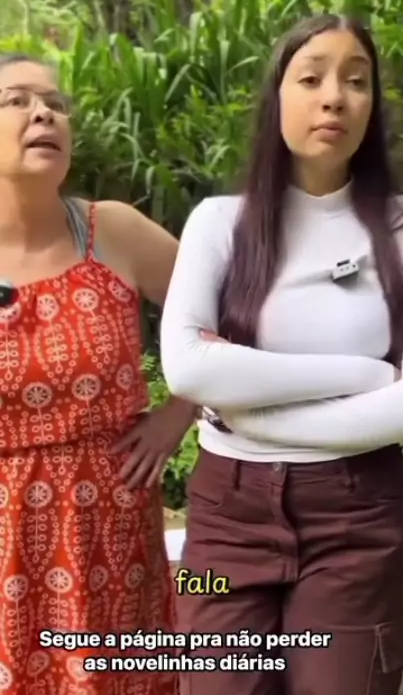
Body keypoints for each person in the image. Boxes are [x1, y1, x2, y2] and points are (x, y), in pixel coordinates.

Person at [160, 14, 403, 695]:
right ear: (277, 97)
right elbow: (188, 368)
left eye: (357, 81)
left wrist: (246, 408)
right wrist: (368, 374)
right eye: (312, 78)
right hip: (223, 523)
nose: (335, 98)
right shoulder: (219, 222)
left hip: (358, 518)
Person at [0, 52, 196, 693]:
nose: (43, 114)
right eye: (17, 100)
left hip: (112, 539)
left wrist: (181, 411)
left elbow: (230, 311)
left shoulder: (112, 231)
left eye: (54, 104)